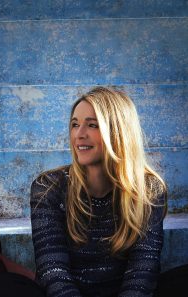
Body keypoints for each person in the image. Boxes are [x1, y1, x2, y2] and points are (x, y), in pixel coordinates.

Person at [30, 86, 187, 297]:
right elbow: (52, 269)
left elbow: (143, 269)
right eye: (75, 124)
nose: (79, 134)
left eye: (92, 125)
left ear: (118, 132)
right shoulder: (48, 187)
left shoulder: (149, 189)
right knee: (5, 285)